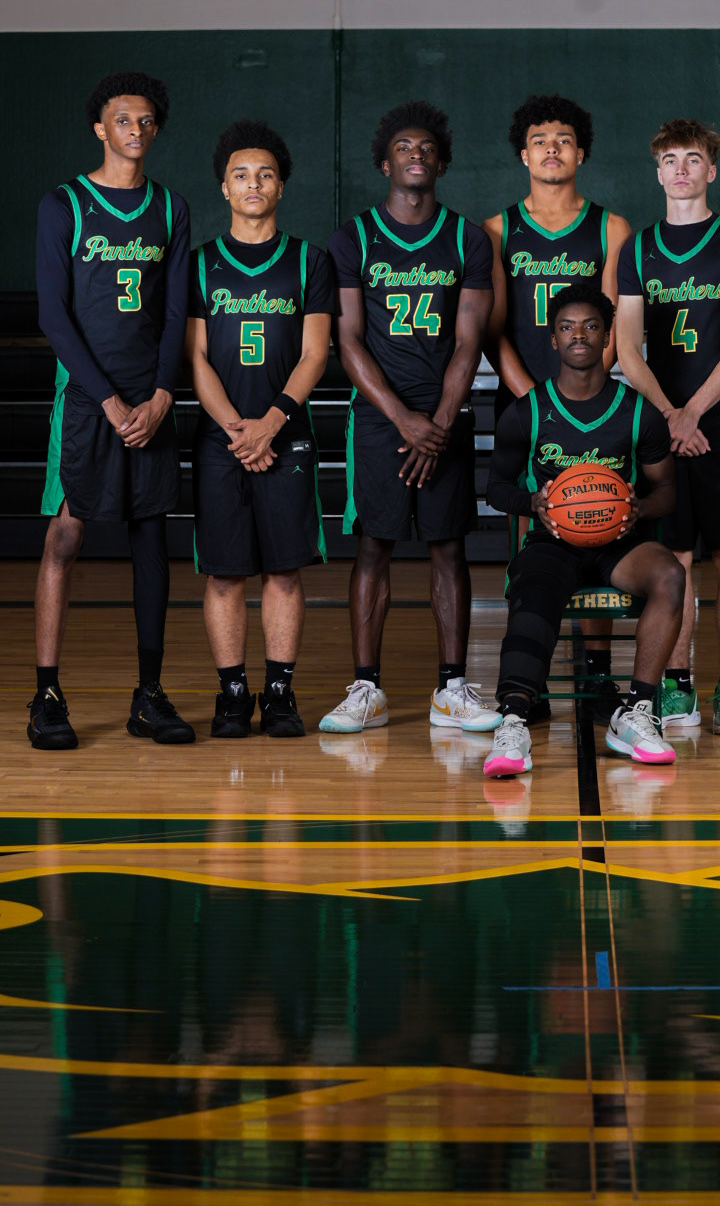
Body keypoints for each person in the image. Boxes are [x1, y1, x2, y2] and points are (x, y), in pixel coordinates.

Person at [322, 100, 498, 736]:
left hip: (445, 414)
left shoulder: (467, 239)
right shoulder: (354, 238)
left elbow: (469, 341)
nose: (416, 154)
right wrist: (403, 420)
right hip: (380, 418)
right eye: (403, 147)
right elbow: (348, 341)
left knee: (448, 548)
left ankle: (451, 688)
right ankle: (366, 688)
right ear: (384, 163)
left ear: (441, 163)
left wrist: (440, 423)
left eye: (426, 147)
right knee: (374, 546)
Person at [30, 71, 193, 749]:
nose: (135, 130)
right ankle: (46, 694)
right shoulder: (64, 203)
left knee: (150, 541)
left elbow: (177, 312)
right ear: (100, 128)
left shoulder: (170, 207)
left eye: (146, 120)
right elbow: (53, 315)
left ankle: (148, 695)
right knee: (65, 536)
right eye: (123, 120)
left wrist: (160, 396)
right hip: (87, 399)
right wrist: (108, 399)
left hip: (149, 400)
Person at [483, 282, 685, 779]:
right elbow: (495, 489)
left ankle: (637, 712)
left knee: (670, 574)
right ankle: (513, 721)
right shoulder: (527, 411)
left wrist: (639, 509)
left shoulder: (638, 412)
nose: (579, 335)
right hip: (553, 540)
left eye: (591, 326)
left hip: (619, 542)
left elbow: (667, 490)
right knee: (532, 585)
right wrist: (532, 502)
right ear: (553, 338)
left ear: (607, 336)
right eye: (567, 327)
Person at [484, 94, 632, 722]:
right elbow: (492, 328)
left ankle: (597, 674)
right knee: (531, 533)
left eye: (563, 139)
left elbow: (614, 325)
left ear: (581, 152)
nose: (552, 148)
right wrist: (533, 397)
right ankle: (533, 675)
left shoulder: (611, 227)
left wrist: (585, 391)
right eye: (539, 140)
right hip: (526, 399)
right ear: (523, 154)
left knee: (596, 516)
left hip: (593, 401)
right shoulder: (497, 229)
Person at [186, 122, 332, 737]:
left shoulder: (309, 260)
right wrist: (237, 431)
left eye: (265, 174)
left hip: (285, 435)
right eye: (241, 175)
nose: (254, 184)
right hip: (222, 439)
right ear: (224, 187)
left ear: (281, 187)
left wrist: (270, 425)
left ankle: (278, 693)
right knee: (223, 573)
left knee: (283, 570)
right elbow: (195, 357)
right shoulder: (199, 264)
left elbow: (316, 353)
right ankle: (231, 695)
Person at [615, 118, 720, 735]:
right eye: (669, 159)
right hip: (663, 426)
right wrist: (671, 414)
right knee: (675, 558)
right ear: (657, 172)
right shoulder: (639, 248)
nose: (681, 169)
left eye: (692, 159)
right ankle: (677, 685)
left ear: (711, 170)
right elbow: (626, 345)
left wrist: (694, 410)